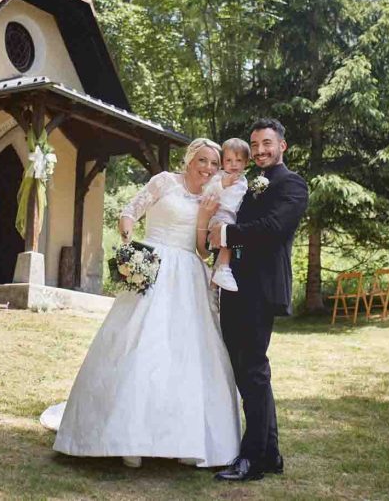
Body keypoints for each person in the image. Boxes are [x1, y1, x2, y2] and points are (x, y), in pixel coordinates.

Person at [41, 138, 240, 468]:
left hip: (187, 276)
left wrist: (205, 216)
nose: (208, 168)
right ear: (189, 160)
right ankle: (125, 437)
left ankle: (182, 438)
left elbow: (203, 252)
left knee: (185, 352)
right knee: (137, 343)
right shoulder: (164, 181)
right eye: (203, 160)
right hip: (150, 264)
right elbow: (130, 211)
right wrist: (127, 236)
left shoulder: (212, 197)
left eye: (214, 164)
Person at [204, 118, 309, 482]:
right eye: (256, 144)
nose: (261, 150)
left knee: (252, 370)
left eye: (267, 143)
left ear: (282, 146)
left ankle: (251, 459)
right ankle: (270, 453)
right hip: (235, 286)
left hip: (260, 288)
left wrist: (225, 235)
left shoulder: (292, 184)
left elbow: (273, 229)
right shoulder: (249, 184)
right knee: (248, 371)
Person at [203, 138, 249, 292]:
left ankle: (214, 284)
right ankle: (223, 268)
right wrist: (222, 184)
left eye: (238, 160)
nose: (233, 164)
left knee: (230, 238)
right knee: (227, 235)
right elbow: (206, 192)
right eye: (229, 160)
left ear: (246, 163)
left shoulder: (244, 181)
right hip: (218, 215)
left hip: (232, 218)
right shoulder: (219, 177)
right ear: (222, 162)